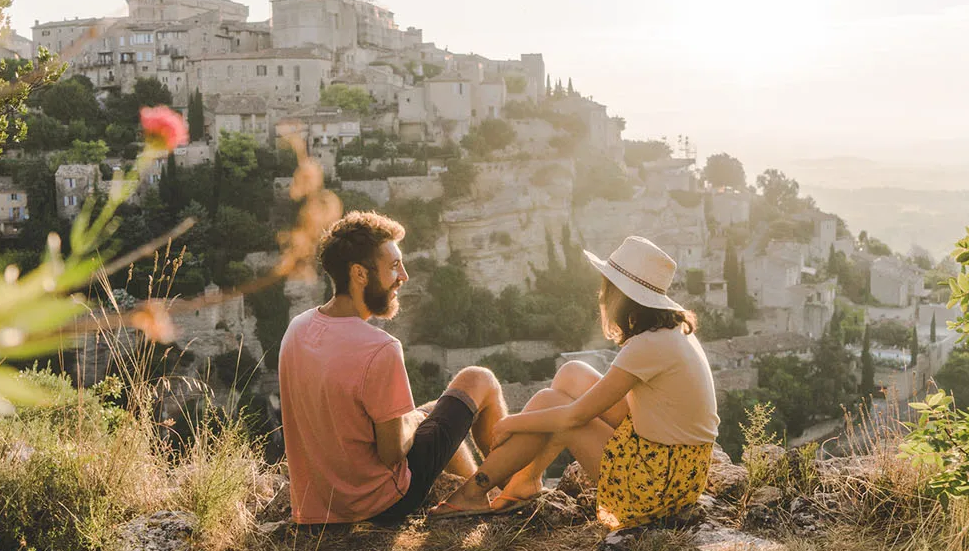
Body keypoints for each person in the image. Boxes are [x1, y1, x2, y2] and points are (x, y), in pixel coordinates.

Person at [431, 235, 719, 529]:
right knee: (572, 373)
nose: (601, 293)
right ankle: (524, 481)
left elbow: (575, 416)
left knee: (553, 404)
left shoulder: (648, 345)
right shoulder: (671, 332)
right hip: (680, 469)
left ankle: (476, 490)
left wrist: (509, 424)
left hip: (657, 487)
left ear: (620, 294)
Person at [278, 211, 507, 525]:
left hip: (321, 506)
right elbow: (393, 453)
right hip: (380, 504)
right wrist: (412, 419)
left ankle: (478, 500)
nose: (404, 276)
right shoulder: (380, 348)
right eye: (394, 266)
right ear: (360, 274)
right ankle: (512, 492)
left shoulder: (297, 329)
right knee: (479, 379)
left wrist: (415, 417)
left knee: (432, 417)